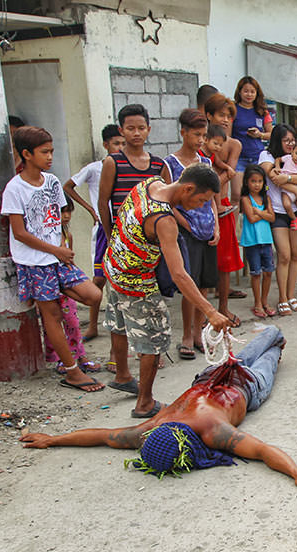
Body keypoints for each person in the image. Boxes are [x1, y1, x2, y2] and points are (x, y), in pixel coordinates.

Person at [20, 326, 297, 492]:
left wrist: (54, 438)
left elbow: (103, 436)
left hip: (217, 373)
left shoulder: (183, 431)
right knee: (273, 349)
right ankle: (275, 350)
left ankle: (272, 341)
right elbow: (102, 435)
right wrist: (296, 471)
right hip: (249, 385)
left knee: (273, 334)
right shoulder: (176, 429)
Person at [104, 163, 231, 417]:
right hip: (136, 281)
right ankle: (145, 403)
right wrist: (210, 312)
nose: (201, 206)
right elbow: (179, 274)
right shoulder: (165, 221)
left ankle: (122, 375)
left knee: (118, 324)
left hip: (114, 266)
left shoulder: (149, 184)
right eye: (201, 200)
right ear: (188, 188)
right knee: (154, 339)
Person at [1, 126, 104, 392]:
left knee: (93, 295)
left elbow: (56, 220)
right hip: (34, 262)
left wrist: (61, 247)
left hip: (57, 259)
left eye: (51, 151)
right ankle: (71, 371)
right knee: (53, 314)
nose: (49, 157)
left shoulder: (52, 182)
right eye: (44, 152)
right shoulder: (15, 188)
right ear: (26, 154)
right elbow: (20, 232)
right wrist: (55, 251)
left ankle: (72, 363)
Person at [162, 110, 237, 360]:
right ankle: (185, 335)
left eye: (204, 135)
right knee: (189, 283)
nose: (200, 140)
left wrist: (215, 226)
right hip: (186, 232)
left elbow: (213, 200)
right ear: (183, 132)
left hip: (208, 230)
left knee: (204, 284)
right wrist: (185, 224)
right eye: (196, 135)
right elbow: (169, 201)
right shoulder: (169, 164)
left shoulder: (205, 162)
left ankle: (198, 332)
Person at [98, 104, 165, 373]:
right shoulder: (112, 162)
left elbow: (164, 204)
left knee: (149, 301)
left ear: (148, 129)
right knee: (119, 306)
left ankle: (149, 353)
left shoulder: (159, 165)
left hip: (149, 250)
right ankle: (119, 362)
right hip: (121, 249)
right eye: (130, 128)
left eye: (141, 128)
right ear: (121, 130)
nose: (136, 133)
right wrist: (111, 236)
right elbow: (104, 202)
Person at [63, 124, 126, 342]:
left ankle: (122, 329)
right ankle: (92, 326)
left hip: (124, 227)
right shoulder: (95, 168)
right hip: (102, 228)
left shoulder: (127, 167)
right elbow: (68, 186)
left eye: (122, 143)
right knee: (99, 279)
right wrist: (90, 209)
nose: (119, 147)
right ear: (106, 144)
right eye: (116, 143)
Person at [42, 195, 102, 375]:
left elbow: (70, 261)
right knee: (53, 322)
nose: (66, 215)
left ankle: (80, 355)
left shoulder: (68, 235)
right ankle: (61, 358)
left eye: (69, 211)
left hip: (67, 283)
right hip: (51, 282)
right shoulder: (46, 237)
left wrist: (79, 278)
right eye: (63, 211)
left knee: (72, 322)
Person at [259, 125, 297, 316]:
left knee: (295, 255)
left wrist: (290, 179)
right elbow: (273, 177)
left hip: (296, 211)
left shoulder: (296, 158)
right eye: (286, 140)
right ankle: (281, 298)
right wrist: (296, 189)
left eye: (292, 140)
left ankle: (290, 296)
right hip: (278, 212)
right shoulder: (267, 156)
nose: (290, 144)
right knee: (284, 255)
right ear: (276, 140)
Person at [204, 94, 249, 304]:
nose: (224, 119)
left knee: (225, 261)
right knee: (203, 261)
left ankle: (223, 307)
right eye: (220, 115)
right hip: (201, 205)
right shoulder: (200, 143)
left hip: (222, 205)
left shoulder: (233, 144)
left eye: (228, 116)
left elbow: (229, 173)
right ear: (208, 115)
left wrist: (214, 188)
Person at [240, 165, 276, 318]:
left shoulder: (266, 198)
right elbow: (251, 218)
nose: (256, 184)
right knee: (256, 274)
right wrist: (264, 214)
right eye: (253, 181)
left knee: (268, 272)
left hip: (266, 240)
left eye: (260, 181)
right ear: (247, 182)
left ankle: (265, 301)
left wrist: (258, 211)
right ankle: (257, 303)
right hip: (252, 242)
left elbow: (272, 217)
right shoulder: (245, 199)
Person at [231, 76, 273, 204]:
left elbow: (271, 134)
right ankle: (235, 224)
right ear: (239, 92)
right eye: (246, 91)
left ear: (257, 93)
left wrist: (260, 135)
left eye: (252, 91)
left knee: (258, 194)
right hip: (238, 158)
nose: (249, 94)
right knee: (236, 194)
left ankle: (257, 221)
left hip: (257, 156)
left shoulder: (262, 111)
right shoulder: (233, 110)